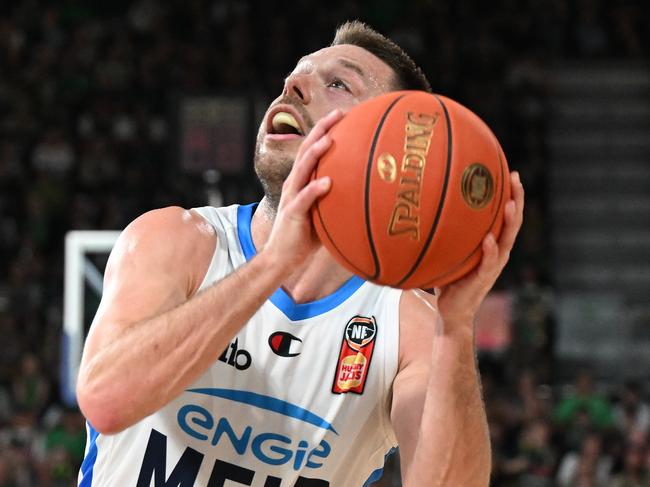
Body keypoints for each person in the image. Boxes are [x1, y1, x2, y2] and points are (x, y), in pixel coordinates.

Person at [75, 21, 524, 487]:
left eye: (337, 83)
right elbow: (107, 401)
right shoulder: (177, 240)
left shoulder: (408, 327)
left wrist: (454, 327)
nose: (293, 85)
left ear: (393, 143)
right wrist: (273, 265)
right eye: (295, 75)